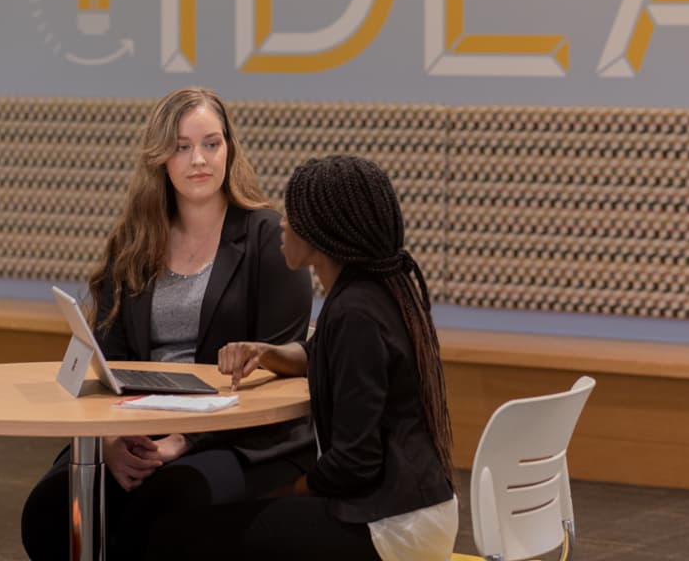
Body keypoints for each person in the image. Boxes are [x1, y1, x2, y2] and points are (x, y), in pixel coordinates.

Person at [20, 87, 315, 561]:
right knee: (51, 511)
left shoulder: (268, 239)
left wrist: (184, 439)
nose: (199, 159)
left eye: (211, 144)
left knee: (161, 510)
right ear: (160, 157)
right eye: (182, 146)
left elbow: (279, 368)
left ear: (229, 149)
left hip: (242, 436)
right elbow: (107, 354)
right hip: (139, 425)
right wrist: (113, 441)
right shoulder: (135, 239)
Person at [143, 154, 457, 561]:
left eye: (293, 214)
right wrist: (269, 354)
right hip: (413, 509)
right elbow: (323, 355)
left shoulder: (355, 313)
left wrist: (287, 492)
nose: (284, 224)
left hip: (392, 527)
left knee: (187, 535)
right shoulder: (374, 292)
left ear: (321, 233)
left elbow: (353, 463)